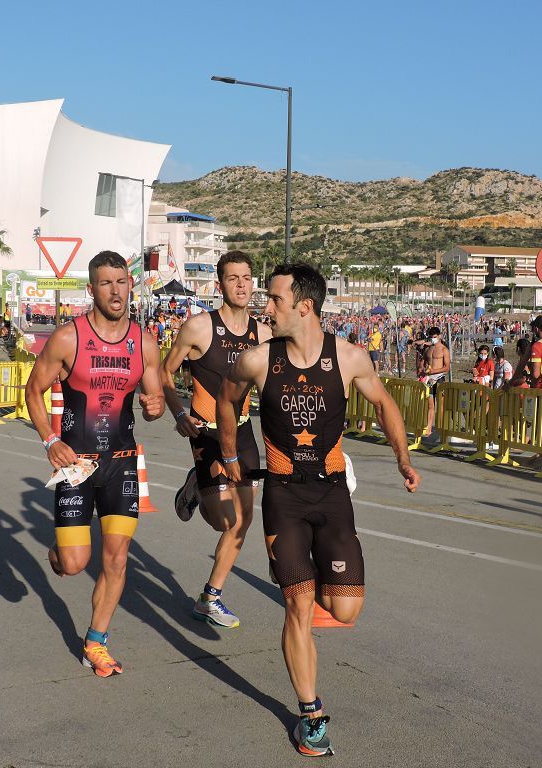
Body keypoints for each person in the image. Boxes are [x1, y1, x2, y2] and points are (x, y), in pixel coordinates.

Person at [217, 263, 420, 757]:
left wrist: (403, 458)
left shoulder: (349, 358)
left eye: (275, 300)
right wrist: (228, 456)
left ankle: (325, 577)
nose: (266, 307)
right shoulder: (258, 361)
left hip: (332, 496)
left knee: (344, 608)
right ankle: (311, 714)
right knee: (298, 604)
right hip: (283, 496)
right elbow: (227, 399)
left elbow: (384, 403)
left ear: (303, 307)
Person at [24, 250, 165, 677]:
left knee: (117, 559)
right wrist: (50, 439)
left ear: (130, 285)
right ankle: (58, 553)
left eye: (121, 282)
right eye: (106, 283)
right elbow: (32, 391)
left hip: (121, 464)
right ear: (92, 289)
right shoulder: (69, 338)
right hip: (76, 465)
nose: (116, 290)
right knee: (74, 564)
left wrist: (155, 406)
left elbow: (154, 399)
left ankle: (96, 641)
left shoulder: (144, 341)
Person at [162, 251, 272, 629]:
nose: (241, 284)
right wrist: (178, 413)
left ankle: (210, 597)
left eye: (246, 277)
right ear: (219, 284)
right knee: (224, 520)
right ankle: (196, 486)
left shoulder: (264, 333)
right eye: (233, 278)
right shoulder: (199, 328)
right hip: (206, 433)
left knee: (242, 523)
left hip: (242, 432)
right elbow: (164, 372)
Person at [419, 327, 450, 436]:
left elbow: (447, 368)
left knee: (440, 404)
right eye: (431, 337)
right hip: (429, 379)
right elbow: (423, 360)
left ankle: (440, 428)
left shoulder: (444, 350)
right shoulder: (429, 349)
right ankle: (428, 428)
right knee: (430, 404)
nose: (433, 339)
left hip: (439, 378)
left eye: (435, 337)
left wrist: (434, 371)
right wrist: (421, 369)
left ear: (440, 336)